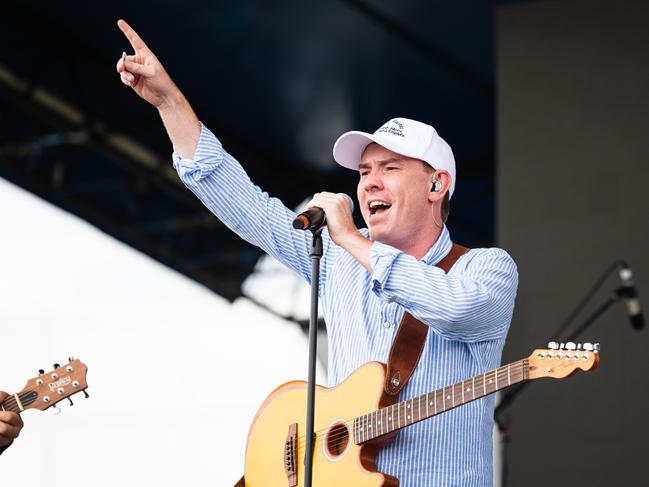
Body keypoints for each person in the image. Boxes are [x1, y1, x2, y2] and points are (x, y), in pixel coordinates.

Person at [116, 19, 518, 486]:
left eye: (389, 167)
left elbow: (457, 308)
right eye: (364, 171)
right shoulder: (340, 259)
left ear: (437, 183)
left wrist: (352, 239)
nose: (369, 182)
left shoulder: (484, 268)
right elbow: (252, 210)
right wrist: (169, 102)